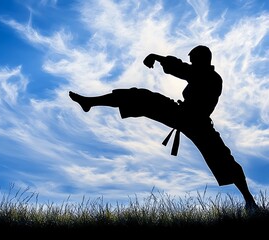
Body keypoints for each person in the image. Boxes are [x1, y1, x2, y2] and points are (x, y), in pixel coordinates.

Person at [69, 45, 259, 211]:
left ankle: (249, 201)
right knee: (140, 96)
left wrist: (156, 57)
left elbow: (183, 69)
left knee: (224, 159)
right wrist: (158, 58)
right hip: (182, 114)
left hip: (197, 122)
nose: (190, 63)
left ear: (202, 60)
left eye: (193, 60)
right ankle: (90, 102)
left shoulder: (210, 77)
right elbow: (183, 69)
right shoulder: (199, 73)